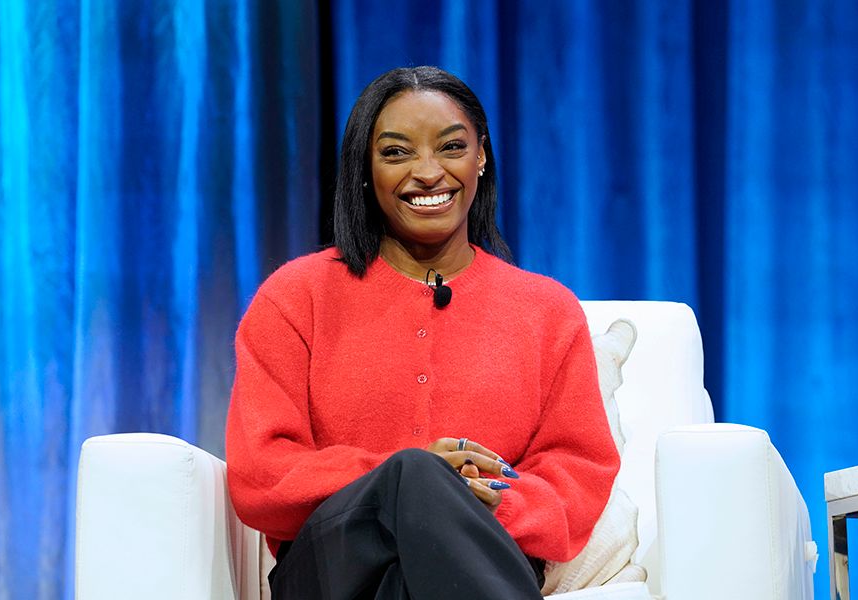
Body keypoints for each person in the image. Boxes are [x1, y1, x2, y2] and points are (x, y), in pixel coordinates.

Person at [225, 66, 619, 599]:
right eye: (396, 152)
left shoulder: (546, 310)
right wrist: (402, 477)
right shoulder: (298, 296)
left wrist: (493, 499)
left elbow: (579, 473)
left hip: (482, 553)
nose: (428, 172)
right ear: (364, 169)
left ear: (481, 155)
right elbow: (260, 476)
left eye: (451, 147)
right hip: (333, 566)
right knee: (415, 474)